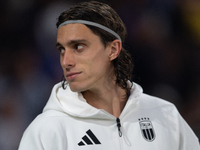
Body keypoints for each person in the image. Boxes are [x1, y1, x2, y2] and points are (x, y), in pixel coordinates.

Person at [18, 1, 199, 149]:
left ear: (113, 49)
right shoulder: (46, 131)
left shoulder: (165, 115)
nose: (66, 61)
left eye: (78, 47)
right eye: (61, 50)